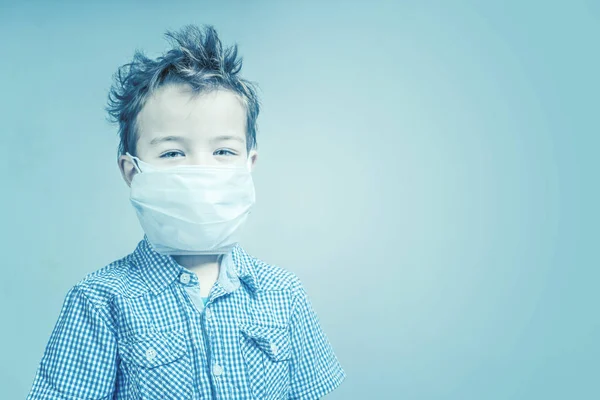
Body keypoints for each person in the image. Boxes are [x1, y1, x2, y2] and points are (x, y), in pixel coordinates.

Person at [27, 24, 345, 400]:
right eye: (172, 153)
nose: (202, 171)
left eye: (223, 152)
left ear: (249, 163)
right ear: (132, 171)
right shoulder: (99, 301)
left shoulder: (284, 294)